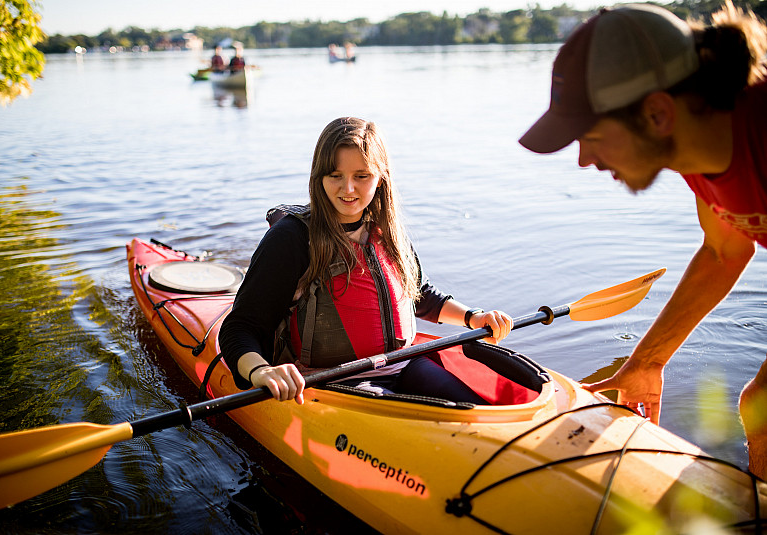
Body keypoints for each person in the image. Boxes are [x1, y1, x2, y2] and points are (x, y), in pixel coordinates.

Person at [518, 2, 767, 477]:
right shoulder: (696, 155)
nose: (583, 160)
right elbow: (725, 250)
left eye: (590, 136)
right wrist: (647, 361)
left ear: (656, 113)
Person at [219, 117, 514, 405]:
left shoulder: (386, 230)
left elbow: (417, 294)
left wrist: (473, 317)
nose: (348, 189)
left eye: (361, 176)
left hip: (401, 364)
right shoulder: (292, 238)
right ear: (318, 177)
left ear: (380, 177)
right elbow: (239, 328)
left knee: (472, 406)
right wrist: (262, 371)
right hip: (332, 381)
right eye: (335, 175)